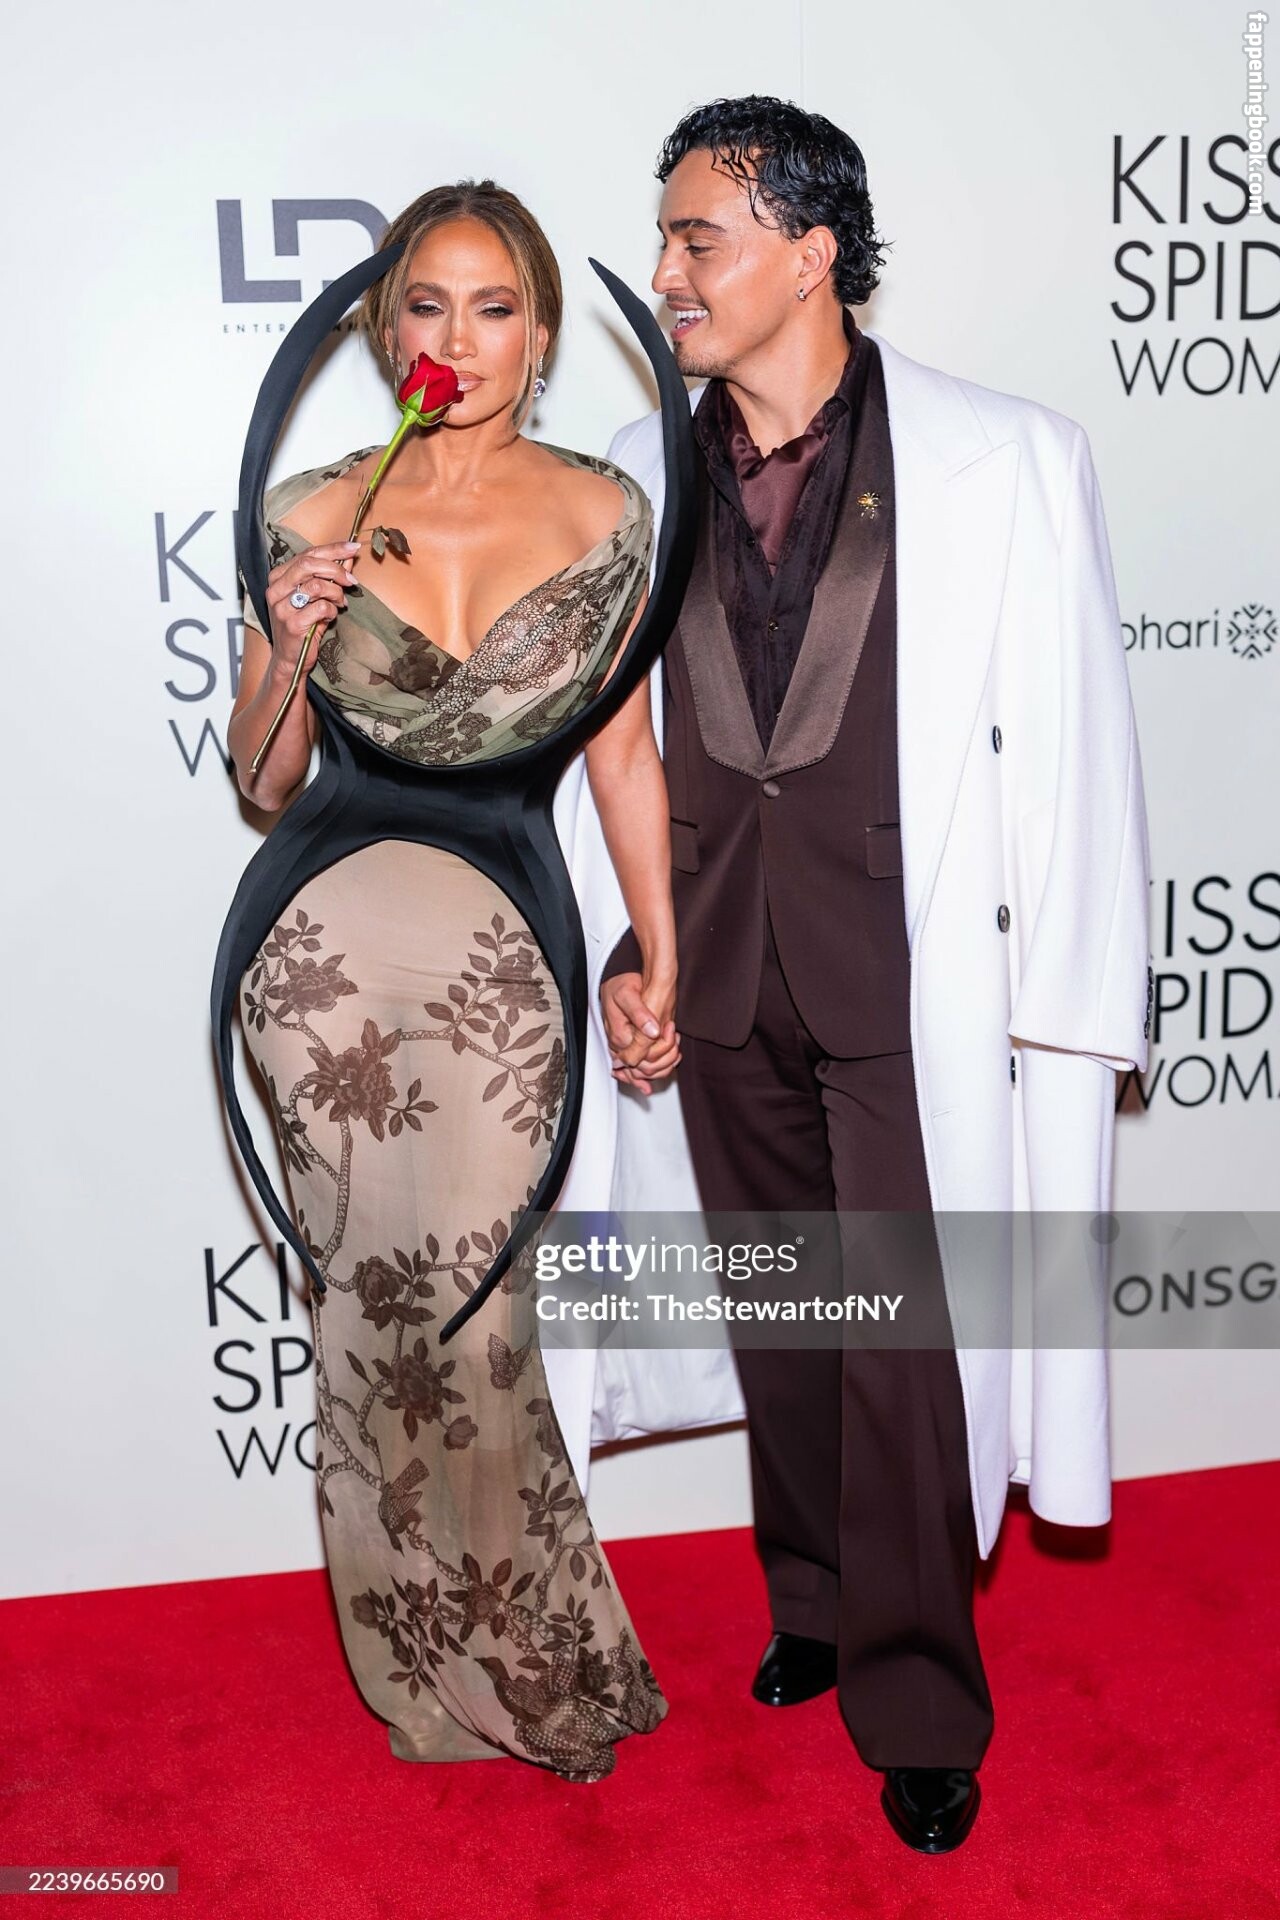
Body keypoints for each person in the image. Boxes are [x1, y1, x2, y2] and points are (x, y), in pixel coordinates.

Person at [559, 97, 1152, 1850]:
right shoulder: (632, 467)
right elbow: (614, 749)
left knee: (904, 1351)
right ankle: (811, 1598)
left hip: (919, 976)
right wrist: (636, 945)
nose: (668, 271)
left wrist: (1077, 1002)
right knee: (788, 1319)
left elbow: (1079, 750)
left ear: (811, 253)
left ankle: (920, 1696)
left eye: (701, 238)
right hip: (717, 968)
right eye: (666, 236)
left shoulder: (1008, 456)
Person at [222, 181, 684, 1783]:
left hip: (503, 944)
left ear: (540, 335)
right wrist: (291, 638)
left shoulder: (607, 515)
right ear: (385, 326)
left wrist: (660, 947)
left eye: (495, 308)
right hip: (323, 952)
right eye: (429, 304)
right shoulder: (314, 506)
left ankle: (525, 1648)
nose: (461, 339)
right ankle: (416, 1673)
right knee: (370, 1318)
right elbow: (265, 781)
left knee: (479, 1321)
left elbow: (623, 756)